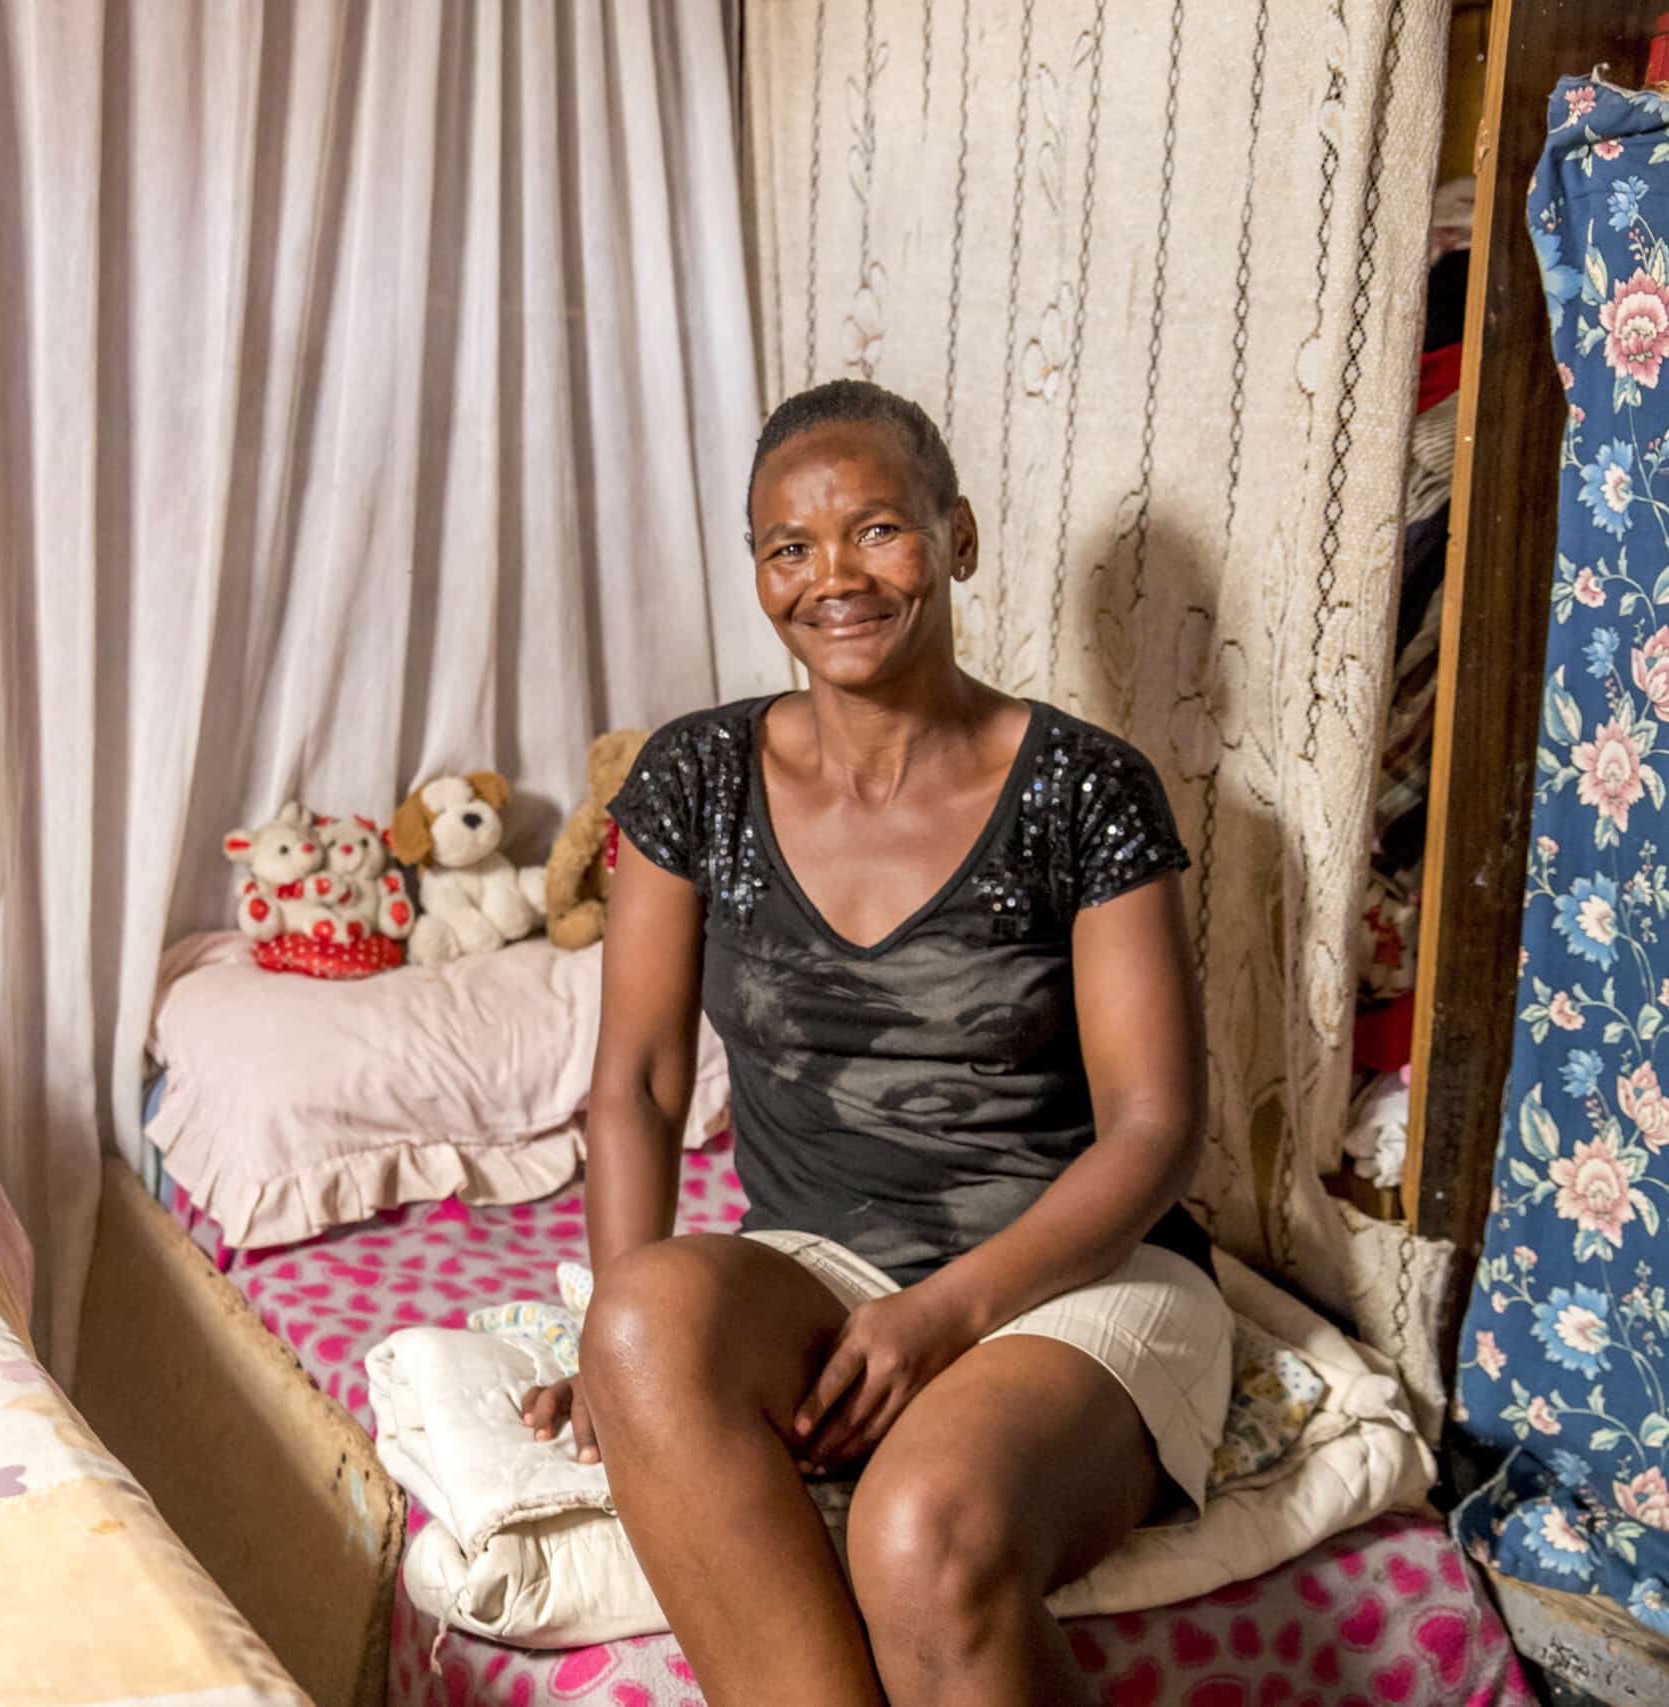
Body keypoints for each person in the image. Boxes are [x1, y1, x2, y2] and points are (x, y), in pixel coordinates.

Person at [522, 380, 1232, 1706]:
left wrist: (944, 1315)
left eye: (877, 531)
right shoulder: (695, 778)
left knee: (918, 1537)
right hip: (821, 1263)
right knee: (639, 1316)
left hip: (1076, 1274)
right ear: (756, 575)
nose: (832, 577)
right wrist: (613, 1372)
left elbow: (1154, 1128)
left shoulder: (1085, 788)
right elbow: (637, 1082)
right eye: (790, 548)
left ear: (956, 537)